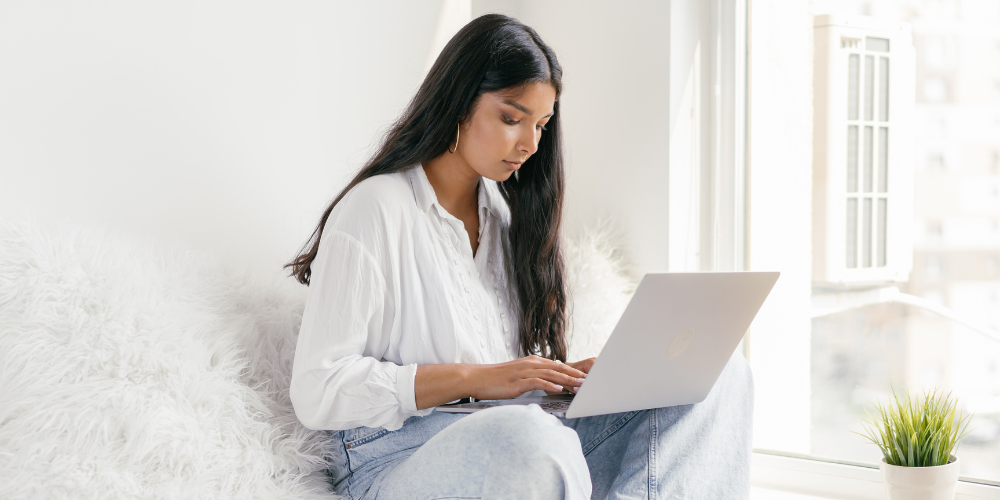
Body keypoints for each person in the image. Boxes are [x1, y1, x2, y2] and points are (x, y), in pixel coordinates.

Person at [286, 13, 754, 500]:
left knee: (716, 374)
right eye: (511, 119)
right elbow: (318, 389)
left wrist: (568, 380)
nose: (530, 144)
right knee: (531, 436)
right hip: (397, 458)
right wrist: (478, 379)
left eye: (541, 125)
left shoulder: (506, 221)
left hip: (524, 437)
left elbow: (508, 390)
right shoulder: (375, 209)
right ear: (457, 103)